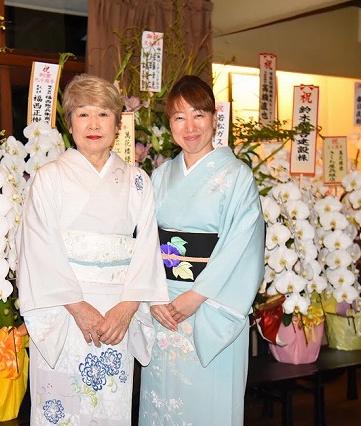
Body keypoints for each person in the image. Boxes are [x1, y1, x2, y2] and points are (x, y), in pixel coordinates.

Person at [17, 74, 169, 426]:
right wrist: (77, 306)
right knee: (63, 408)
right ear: (69, 124)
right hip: (63, 310)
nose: (94, 124)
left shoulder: (138, 181)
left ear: (118, 124)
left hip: (117, 314)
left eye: (103, 114)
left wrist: (129, 307)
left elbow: (147, 249)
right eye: (83, 114)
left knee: (109, 407)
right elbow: (36, 248)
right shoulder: (49, 177)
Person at [139, 75, 265, 426]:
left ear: (214, 118)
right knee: (161, 403)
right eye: (179, 117)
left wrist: (195, 297)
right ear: (170, 124)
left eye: (199, 115)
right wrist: (152, 296)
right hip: (163, 306)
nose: (190, 127)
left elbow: (243, 246)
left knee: (207, 405)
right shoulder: (160, 176)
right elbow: (145, 241)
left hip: (211, 304)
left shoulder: (237, 176)